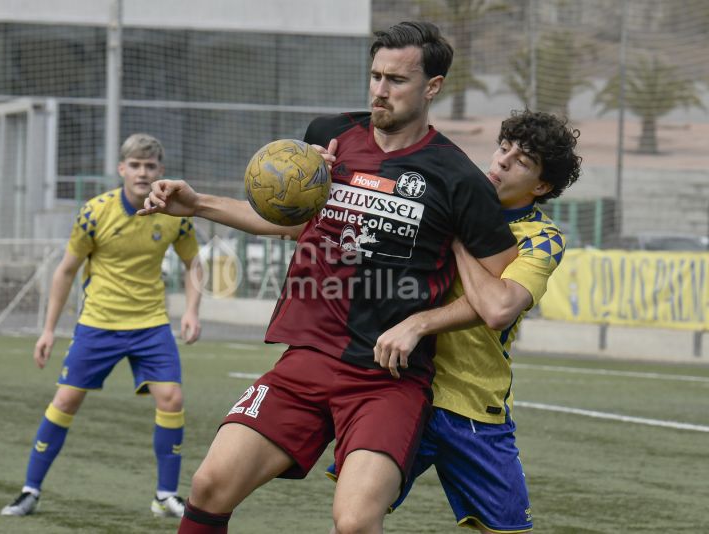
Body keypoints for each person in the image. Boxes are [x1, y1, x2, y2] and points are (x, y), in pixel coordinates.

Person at [140, 21, 517, 534]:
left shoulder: (459, 180)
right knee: (209, 487)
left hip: (386, 381)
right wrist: (197, 203)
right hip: (306, 360)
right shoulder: (328, 137)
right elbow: (291, 221)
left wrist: (422, 323)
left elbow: (497, 293)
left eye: (397, 80)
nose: (380, 91)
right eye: (375, 76)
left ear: (433, 86)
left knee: (355, 522)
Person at [329, 109, 581, 533]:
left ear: (541, 185)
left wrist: (461, 231)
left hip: (474, 406)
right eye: (503, 148)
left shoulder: (542, 238)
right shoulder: (438, 195)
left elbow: (499, 309)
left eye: (521, 160)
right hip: (403, 389)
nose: (501, 161)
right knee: (353, 522)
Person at [0, 133, 203, 519]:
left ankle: (164, 496)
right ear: (121, 169)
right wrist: (48, 330)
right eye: (136, 165)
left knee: (172, 399)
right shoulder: (94, 213)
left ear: (161, 171)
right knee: (65, 401)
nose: (143, 173)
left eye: (151, 166)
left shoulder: (173, 213)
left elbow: (195, 263)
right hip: (98, 324)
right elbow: (66, 271)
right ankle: (29, 490)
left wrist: (192, 310)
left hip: (150, 325)